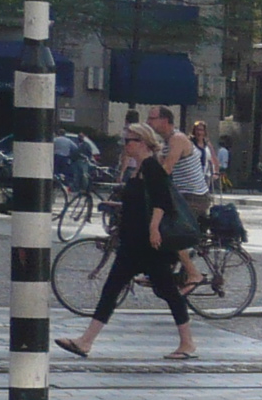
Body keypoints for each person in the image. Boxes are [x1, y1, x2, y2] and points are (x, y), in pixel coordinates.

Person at [57, 125, 196, 361]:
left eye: (129, 141)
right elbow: (142, 201)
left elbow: (162, 200)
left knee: (167, 291)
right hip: (133, 242)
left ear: (142, 142)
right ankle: (85, 342)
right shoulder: (139, 168)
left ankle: (188, 343)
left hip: (148, 244)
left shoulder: (151, 166)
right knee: (113, 289)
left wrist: (153, 228)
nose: (125, 145)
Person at [162, 116, 216, 291]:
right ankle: (166, 268)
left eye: (152, 119)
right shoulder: (170, 141)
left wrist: (215, 172)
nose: (200, 132)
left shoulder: (179, 140)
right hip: (183, 193)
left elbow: (167, 168)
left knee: (173, 231)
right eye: (198, 130)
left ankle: (193, 274)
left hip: (195, 196)